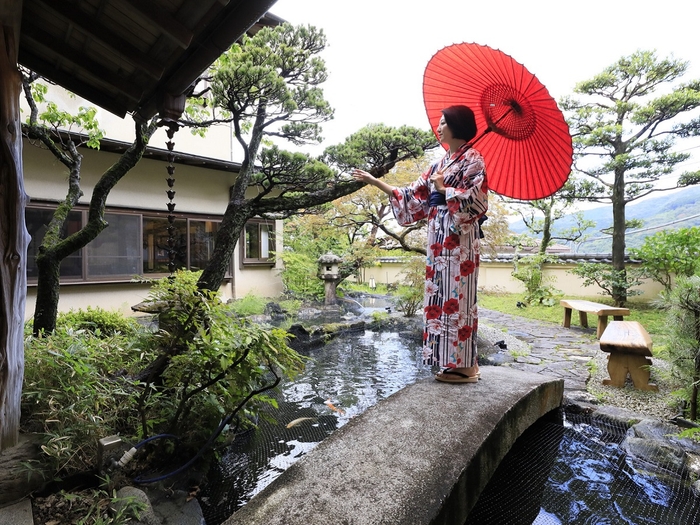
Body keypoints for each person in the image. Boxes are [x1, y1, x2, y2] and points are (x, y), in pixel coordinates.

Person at [352, 105, 488, 383]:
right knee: (439, 295)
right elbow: (412, 194)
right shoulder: (440, 163)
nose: (438, 128)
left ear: (455, 126)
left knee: (458, 298)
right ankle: (453, 362)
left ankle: (465, 366)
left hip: (459, 236)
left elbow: (478, 200)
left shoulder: (473, 158)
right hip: (438, 236)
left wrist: (443, 190)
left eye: (443, 123)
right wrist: (375, 181)